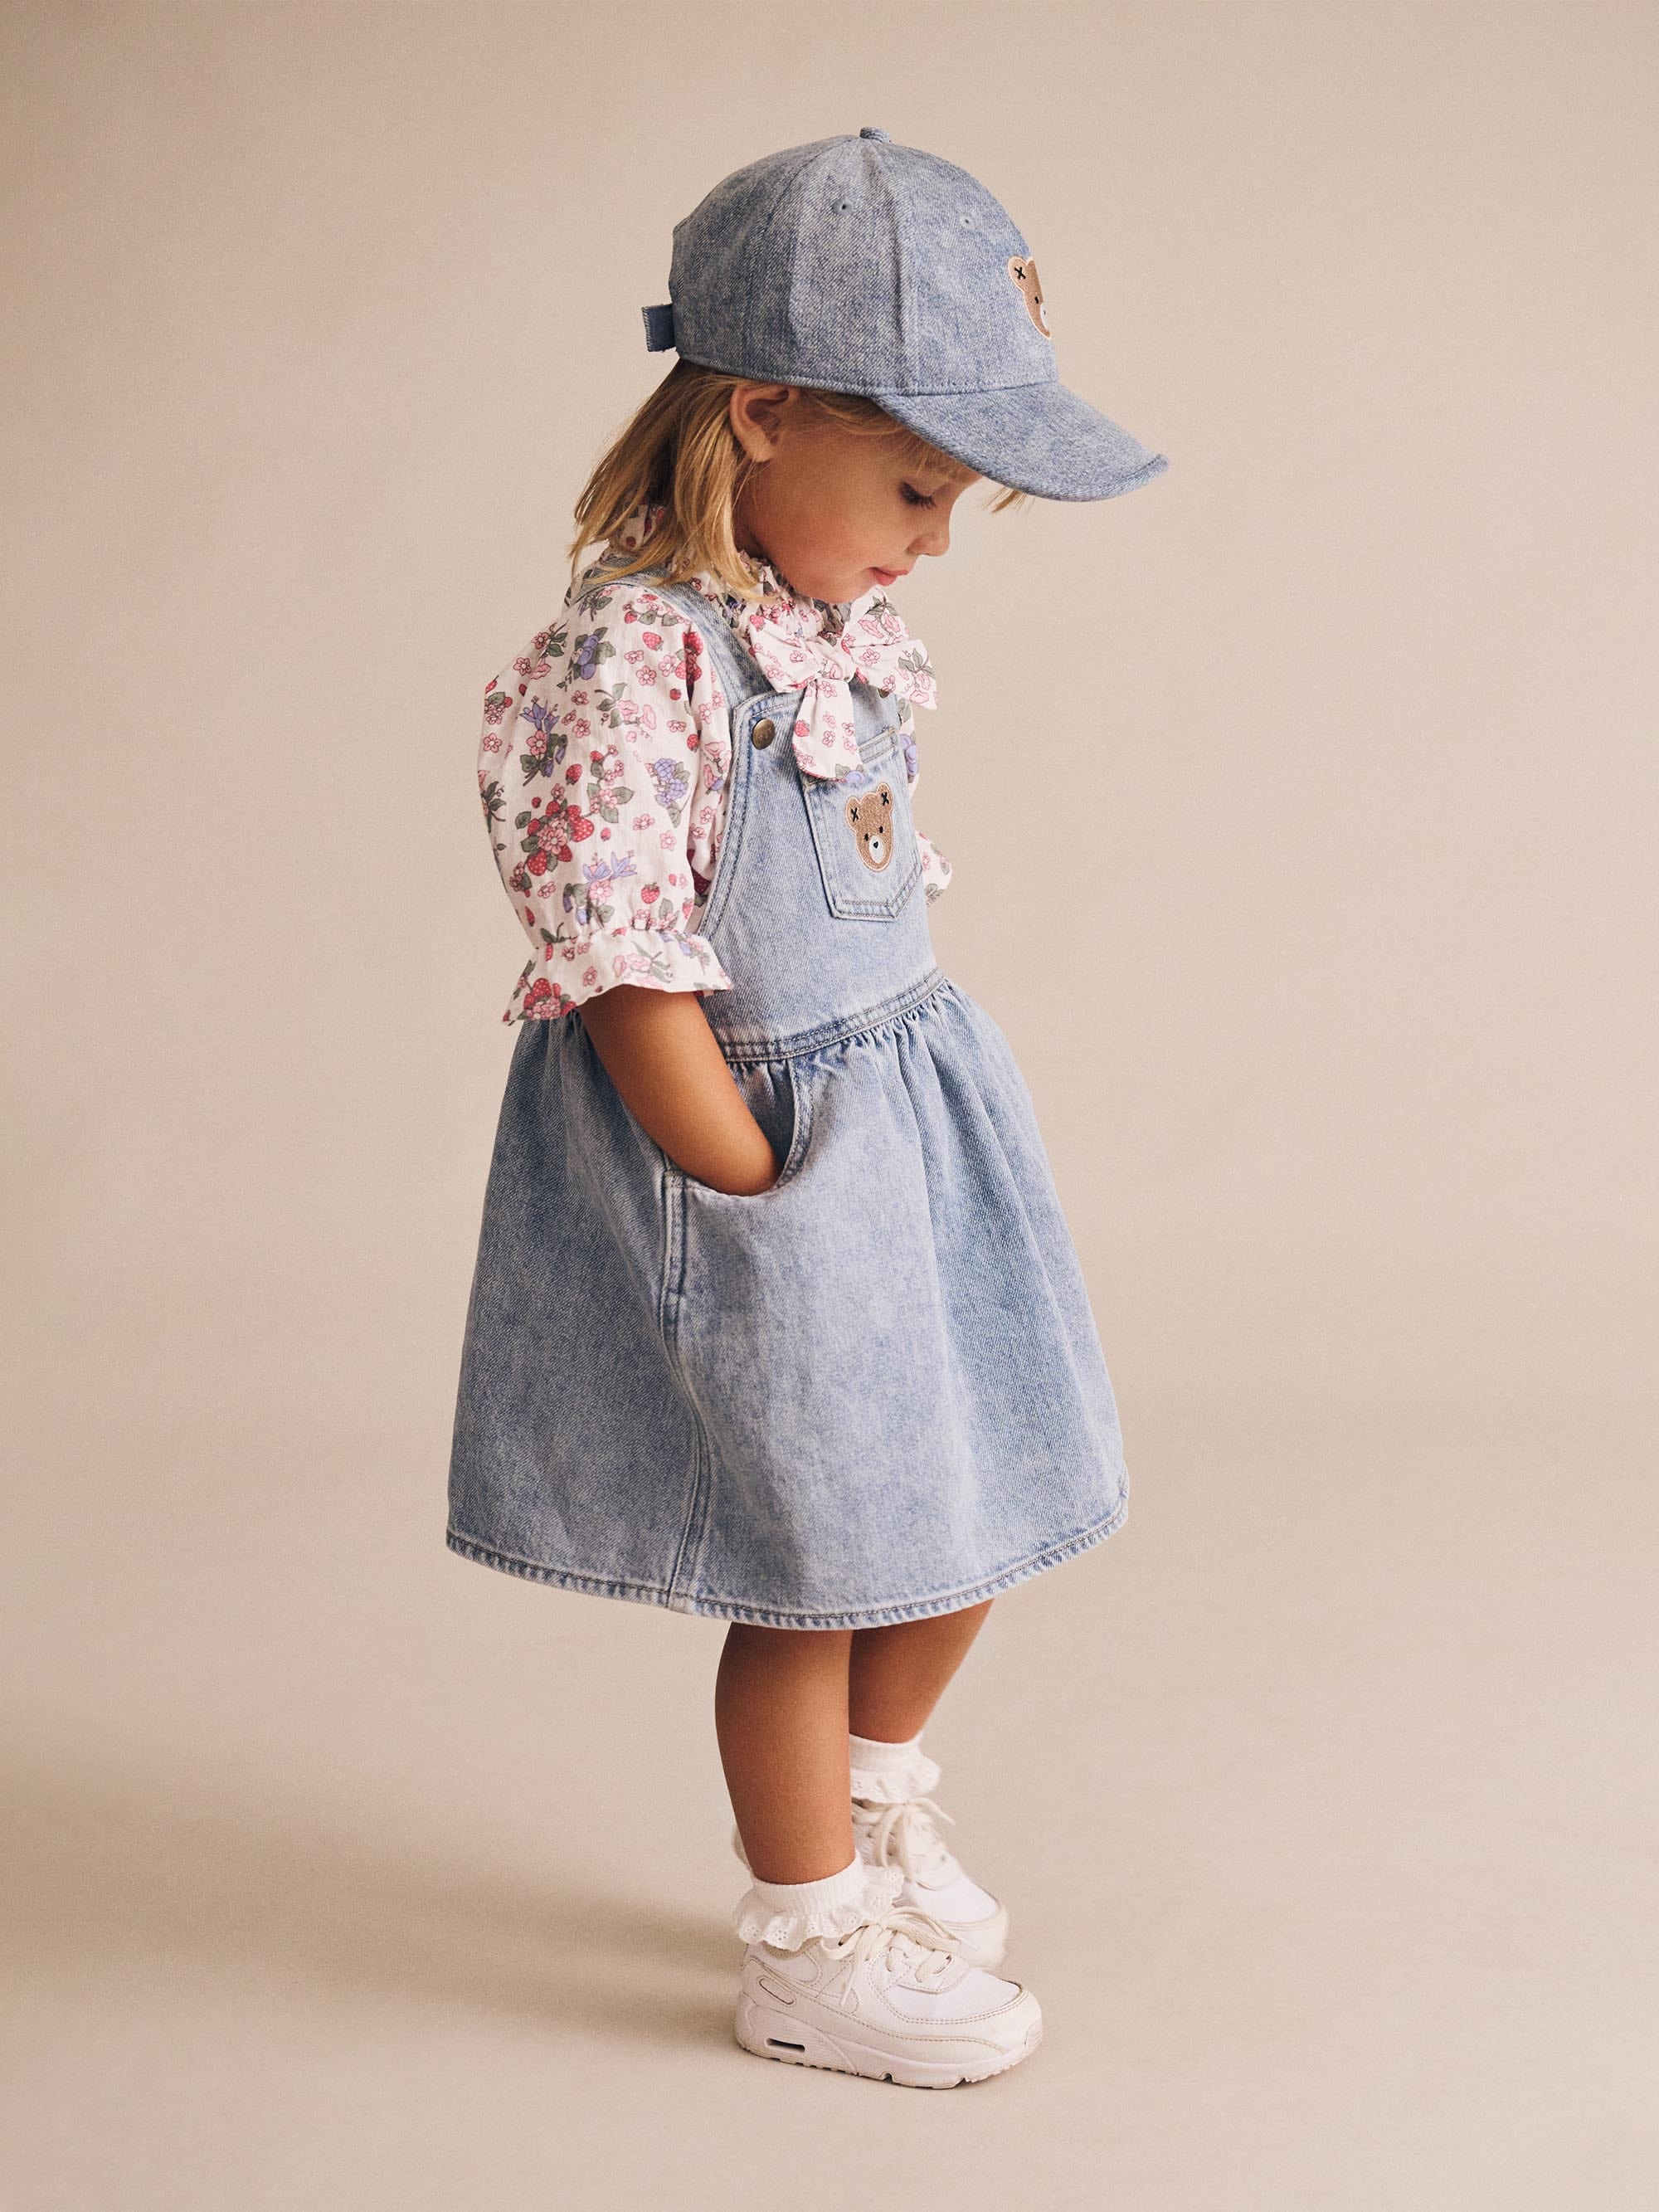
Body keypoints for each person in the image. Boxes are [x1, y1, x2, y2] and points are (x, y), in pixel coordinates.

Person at [448, 128, 1168, 2089]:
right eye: (917, 484)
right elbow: (624, 955)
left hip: (904, 1128)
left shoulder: (824, 622)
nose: (937, 538)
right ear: (759, 415)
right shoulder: (636, 656)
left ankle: (871, 1800)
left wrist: (888, 1143)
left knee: (970, 1499)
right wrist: (751, 1179)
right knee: (819, 1567)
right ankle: (807, 1935)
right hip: (758, 1151)